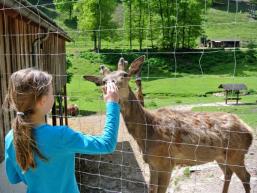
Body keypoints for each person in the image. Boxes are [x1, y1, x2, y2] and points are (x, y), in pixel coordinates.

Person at [4, 68, 120, 193]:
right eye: (51, 92)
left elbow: (13, 178)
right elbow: (107, 144)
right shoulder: (61, 136)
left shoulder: (11, 137)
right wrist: (112, 103)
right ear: (42, 101)